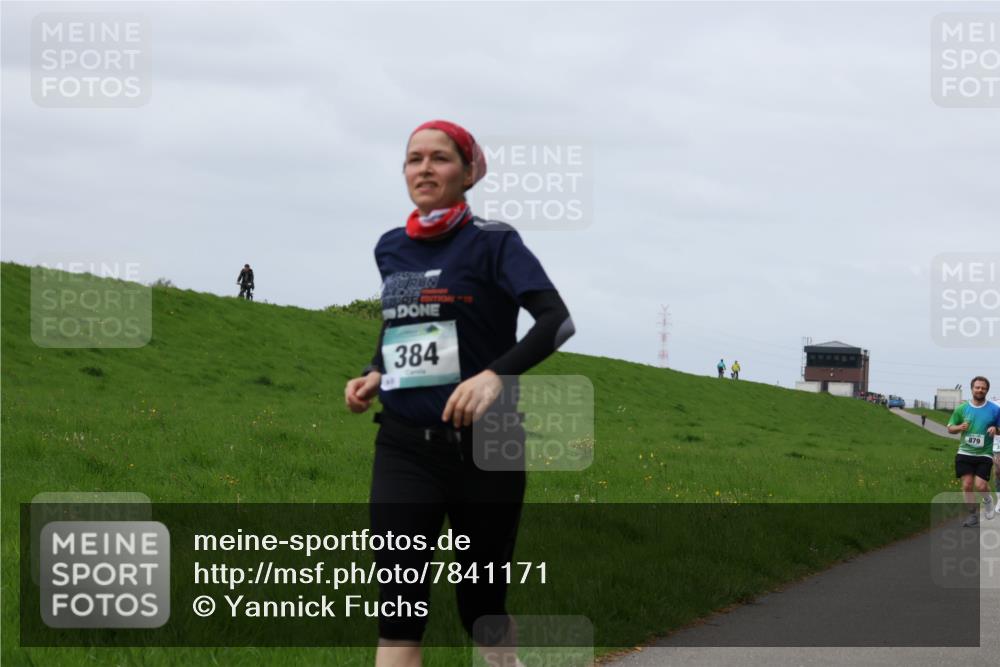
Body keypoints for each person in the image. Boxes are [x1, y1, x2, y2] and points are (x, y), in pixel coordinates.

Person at [343, 120, 574, 667]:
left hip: (487, 451)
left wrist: (496, 376)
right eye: (413, 158)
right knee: (399, 612)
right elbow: (404, 325)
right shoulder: (391, 247)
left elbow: (556, 322)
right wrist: (376, 372)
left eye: (440, 158)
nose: (424, 168)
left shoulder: (495, 243)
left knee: (481, 608)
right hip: (404, 448)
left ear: (469, 172)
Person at [946, 376, 999, 527]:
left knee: (981, 485)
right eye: (977, 387)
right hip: (965, 452)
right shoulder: (962, 409)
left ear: (987, 390)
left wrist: (996, 429)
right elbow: (950, 428)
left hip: (985, 453)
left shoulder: (995, 410)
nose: (980, 390)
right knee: (967, 485)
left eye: (983, 388)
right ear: (972, 389)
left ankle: (988, 501)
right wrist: (959, 427)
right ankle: (973, 515)